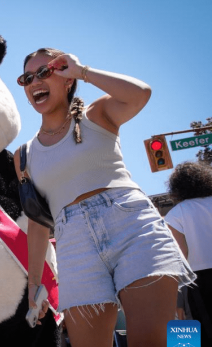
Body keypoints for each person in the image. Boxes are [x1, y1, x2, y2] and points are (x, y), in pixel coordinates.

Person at [14, 48, 195, 347]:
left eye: (45, 72)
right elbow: (37, 222)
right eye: (27, 78)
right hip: (73, 245)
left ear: (65, 79)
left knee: (151, 341)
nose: (35, 82)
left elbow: (140, 93)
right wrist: (35, 283)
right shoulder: (24, 156)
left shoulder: (95, 115)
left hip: (132, 228)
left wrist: (82, 69)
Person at [165, 161, 212, 344]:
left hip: (196, 282)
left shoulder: (176, 214)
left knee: (192, 338)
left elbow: (179, 259)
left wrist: (176, 302)